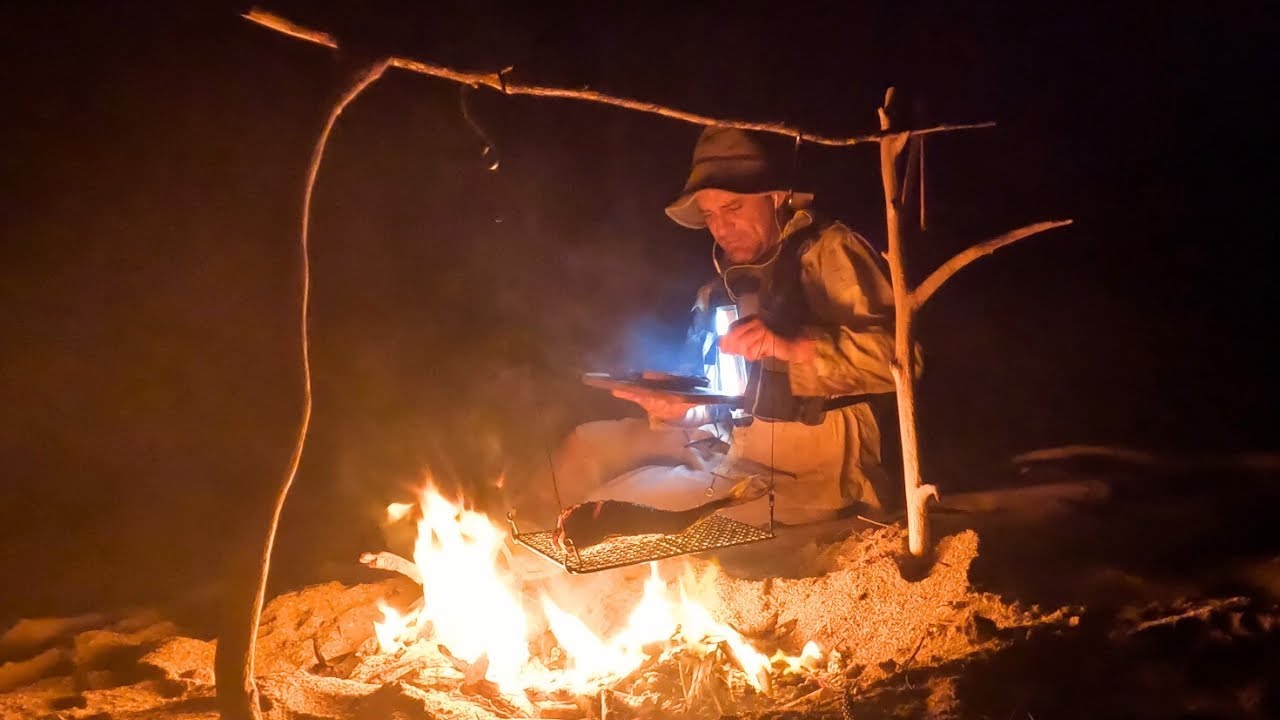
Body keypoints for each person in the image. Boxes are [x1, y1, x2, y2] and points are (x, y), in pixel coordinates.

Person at [514, 126, 899, 532]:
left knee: (615, 506)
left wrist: (795, 347)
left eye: (732, 209)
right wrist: (674, 406)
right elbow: (719, 403)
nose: (720, 228)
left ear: (775, 197)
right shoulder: (720, 288)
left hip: (815, 475)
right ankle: (514, 549)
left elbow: (899, 361)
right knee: (585, 444)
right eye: (710, 215)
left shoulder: (830, 253)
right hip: (730, 450)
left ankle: (551, 559)